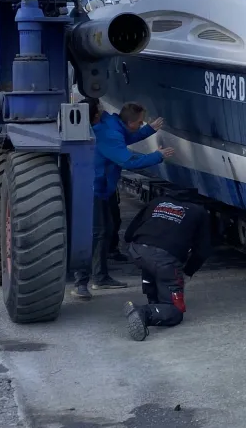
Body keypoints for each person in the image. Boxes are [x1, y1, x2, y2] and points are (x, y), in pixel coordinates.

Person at [73, 100, 175, 301]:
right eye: (140, 122)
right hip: (94, 188)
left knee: (108, 228)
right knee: (98, 232)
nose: (141, 124)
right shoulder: (109, 132)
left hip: (102, 186)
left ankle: (98, 272)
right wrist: (158, 156)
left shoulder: (111, 124)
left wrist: (148, 130)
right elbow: (128, 160)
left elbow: (125, 137)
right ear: (129, 122)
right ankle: (87, 280)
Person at [121, 193, 212, 341]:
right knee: (176, 311)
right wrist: (188, 272)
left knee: (150, 261)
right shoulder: (199, 212)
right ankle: (144, 312)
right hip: (164, 260)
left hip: (137, 251)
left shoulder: (157, 201)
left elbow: (130, 233)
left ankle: (153, 299)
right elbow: (203, 251)